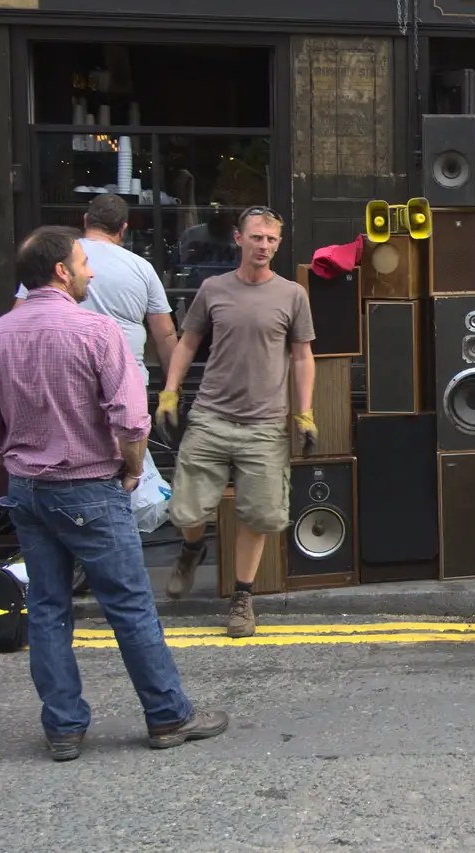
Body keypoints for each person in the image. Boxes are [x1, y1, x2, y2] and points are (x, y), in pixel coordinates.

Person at [0, 226, 228, 760]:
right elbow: (131, 423)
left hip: (28, 490)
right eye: (84, 262)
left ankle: (63, 728)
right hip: (89, 485)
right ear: (62, 271)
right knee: (130, 605)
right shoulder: (96, 331)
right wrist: (132, 471)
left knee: (46, 607)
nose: (90, 271)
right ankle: (167, 716)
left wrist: (19, 462)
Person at [157, 206, 317, 638]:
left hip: (264, 425)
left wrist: (304, 413)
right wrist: (170, 391)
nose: (263, 245)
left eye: (271, 239)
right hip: (210, 416)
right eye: (256, 237)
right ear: (239, 239)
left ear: (278, 244)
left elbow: (303, 358)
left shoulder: (291, 295)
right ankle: (192, 548)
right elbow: (187, 343)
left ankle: (242, 599)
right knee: (187, 509)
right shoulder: (213, 289)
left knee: (259, 515)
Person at [13, 194, 178, 384]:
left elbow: (19, 317)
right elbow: (165, 333)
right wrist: (172, 387)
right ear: (123, 228)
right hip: (126, 379)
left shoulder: (53, 259)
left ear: (85, 220)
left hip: (64, 380)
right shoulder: (142, 268)